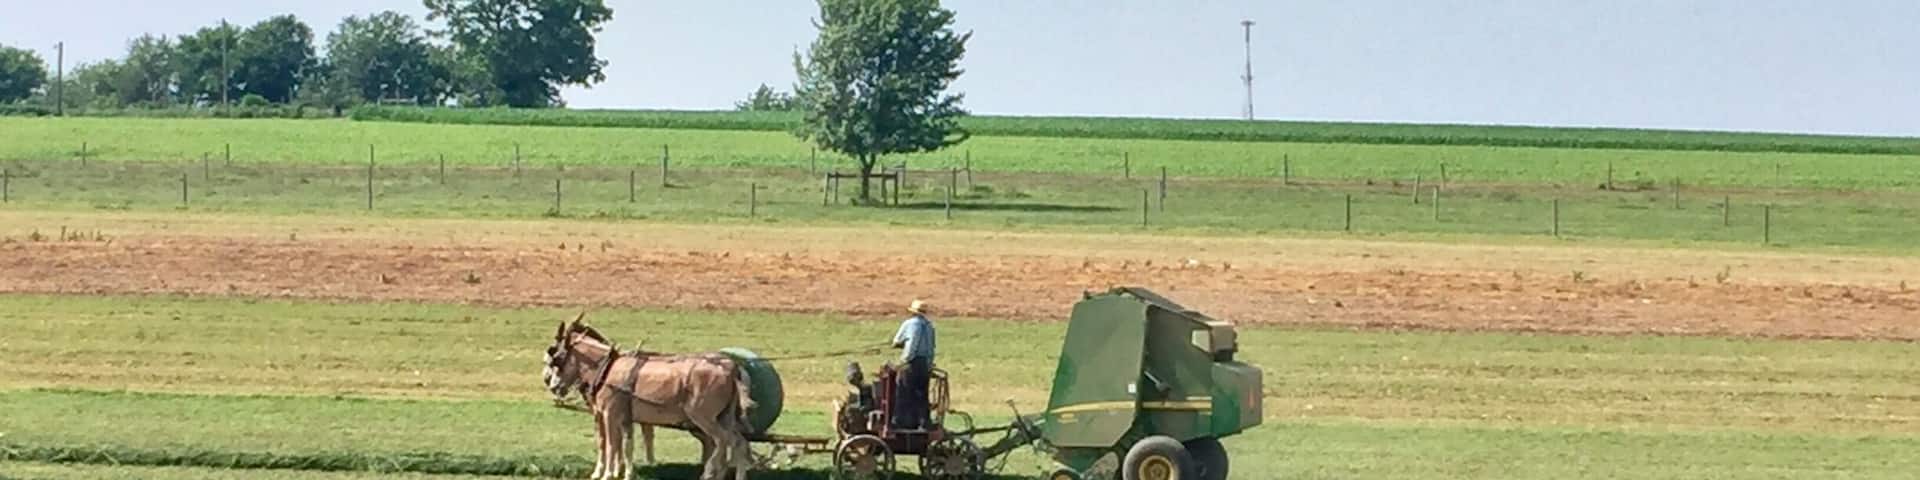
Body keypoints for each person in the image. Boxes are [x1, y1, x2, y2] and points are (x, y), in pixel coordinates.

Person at [890, 299, 936, 430]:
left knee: (902, 391)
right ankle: (923, 422)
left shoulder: (910, 324)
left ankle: (898, 421)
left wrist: (904, 361)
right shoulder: (930, 326)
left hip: (911, 364)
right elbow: (931, 348)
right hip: (924, 365)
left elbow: (904, 343)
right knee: (922, 394)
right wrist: (929, 364)